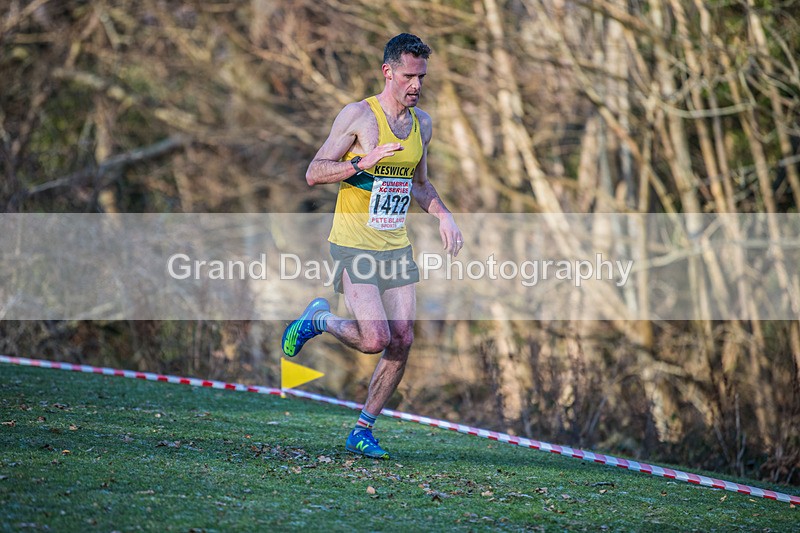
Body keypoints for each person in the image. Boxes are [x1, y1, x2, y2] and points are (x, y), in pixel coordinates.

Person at [282, 33, 463, 459]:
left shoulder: (423, 125)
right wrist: (361, 163)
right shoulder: (359, 116)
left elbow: (420, 186)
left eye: (421, 76)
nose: (416, 85)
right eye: (408, 76)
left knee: (402, 339)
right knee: (373, 338)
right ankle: (319, 319)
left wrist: (444, 214)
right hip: (353, 243)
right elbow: (314, 172)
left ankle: (363, 429)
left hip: (394, 246)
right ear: (388, 72)